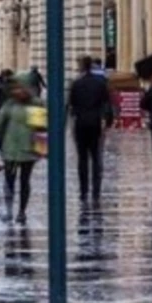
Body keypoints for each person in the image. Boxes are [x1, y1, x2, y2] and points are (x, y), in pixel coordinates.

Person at [0, 73, 42, 225]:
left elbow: (40, 128)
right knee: (9, 180)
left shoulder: (35, 104)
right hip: (10, 149)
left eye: (20, 88)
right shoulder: (9, 104)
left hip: (28, 149)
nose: (17, 91)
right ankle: (9, 210)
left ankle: (22, 212)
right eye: (15, 88)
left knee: (25, 181)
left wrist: (41, 148)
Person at [68, 55, 112, 204]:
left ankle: (83, 190)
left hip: (81, 123)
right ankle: (96, 191)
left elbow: (71, 104)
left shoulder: (76, 83)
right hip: (95, 123)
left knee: (82, 158)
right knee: (96, 157)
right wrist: (108, 121)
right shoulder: (100, 83)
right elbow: (107, 103)